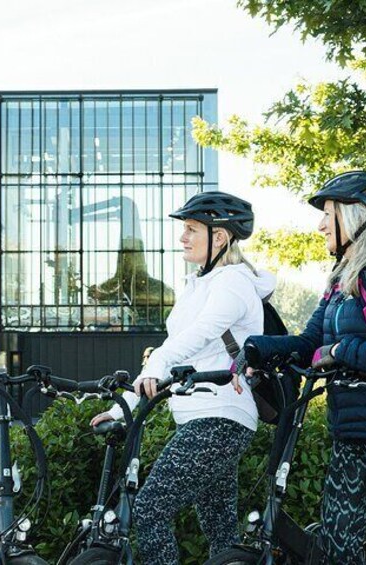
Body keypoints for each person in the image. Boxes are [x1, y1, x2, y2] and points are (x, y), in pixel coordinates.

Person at [242, 171, 366, 564]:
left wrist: (342, 349)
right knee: (338, 548)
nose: (320, 225)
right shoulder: (341, 280)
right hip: (350, 433)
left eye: (327, 214)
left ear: (355, 217)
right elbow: (309, 344)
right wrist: (255, 350)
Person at [90, 192, 276, 564]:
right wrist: (124, 406)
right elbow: (174, 348)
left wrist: (158, 363)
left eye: (192, 229)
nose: (183, 237)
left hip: (219, 418)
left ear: (220, 237)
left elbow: (200, 334)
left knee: (150, 509)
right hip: (204, 418)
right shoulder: (199, 283)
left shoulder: (233, 282)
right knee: (221, 533)